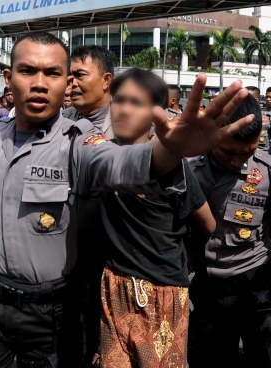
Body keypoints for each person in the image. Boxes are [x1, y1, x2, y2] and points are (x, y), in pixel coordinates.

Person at [0, 31, 252, 367]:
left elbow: (121, 162)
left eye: (52, 73)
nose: (39, 83)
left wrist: (167, 151)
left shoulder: (79, 142)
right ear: (9, 77)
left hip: (51, 311)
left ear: (65, 82)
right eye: (27, 71)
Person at [188, 94, 271, 368]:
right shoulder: (186, 170)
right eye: (228, 153)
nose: (237, 162)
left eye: (246, 152)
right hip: (208, 291)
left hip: (258, 288)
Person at [97, 68, 216, 367]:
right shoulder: (100, 157)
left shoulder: (174, 166)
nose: (124, 109)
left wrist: (185, 253)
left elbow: (208, 223)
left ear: (156, 114)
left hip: (163, 291)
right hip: (114, 285)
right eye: (119, 100)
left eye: (136, 103)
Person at [64, 45, 114, 139]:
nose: (72, 83)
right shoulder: (60, 121)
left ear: (106, 81)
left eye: (80, 75)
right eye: (70, 76)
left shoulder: (129, 122)